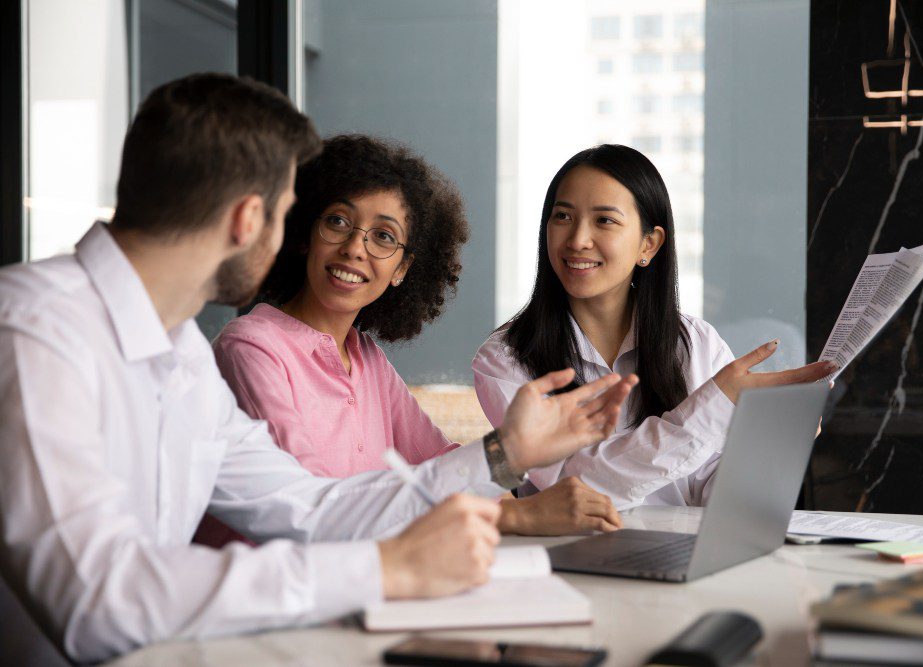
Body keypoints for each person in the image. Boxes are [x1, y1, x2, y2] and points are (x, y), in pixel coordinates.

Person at [0, 74, 637, 662]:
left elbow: (308, 507)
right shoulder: (33, 331)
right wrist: (386, 569)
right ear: (249, 219)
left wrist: (507, 453)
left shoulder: (181, 352)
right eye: (290, 214)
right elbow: (95, 598)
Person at [195, 135, 622, 549]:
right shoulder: (250, 348)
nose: (354, 248)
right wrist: (516, 509)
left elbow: (437, 460)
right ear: (306, 233)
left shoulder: (366, 358)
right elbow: (316, 508)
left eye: (383, 236)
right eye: (338, 221)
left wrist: (522, 486)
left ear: (402, 269)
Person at [473, 144, 834, 509]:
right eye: (563, 216)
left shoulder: (697, 343)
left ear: (649, 244)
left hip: (684, 544)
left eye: (604, 220)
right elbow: (578, 487)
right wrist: (709, 410)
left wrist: (774, 447)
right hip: (572, 546)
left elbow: (718, 496)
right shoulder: (506, 357)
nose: (578, 240)